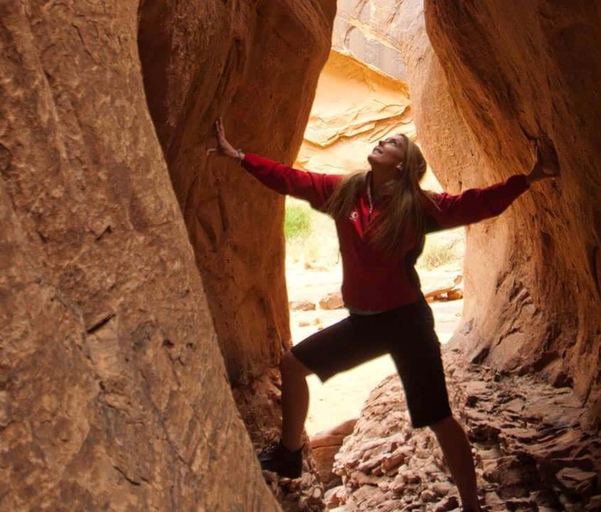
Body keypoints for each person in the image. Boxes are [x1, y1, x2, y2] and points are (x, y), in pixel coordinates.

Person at [207, 117, 559, 512]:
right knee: (293, 365)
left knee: (438, 417)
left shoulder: (416, 207)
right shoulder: (345, 191)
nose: (381, 142)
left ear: (402, 165)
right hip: (365, 322)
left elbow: (476, 204)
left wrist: (528, 179)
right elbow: (291, 179)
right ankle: (289, 454)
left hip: (407, 323)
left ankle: (472, 506)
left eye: (391, 142)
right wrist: (239, 157)